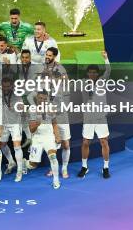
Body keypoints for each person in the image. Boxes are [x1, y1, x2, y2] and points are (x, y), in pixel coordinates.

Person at [79, 50, 112, 179]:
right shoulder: (82, 82)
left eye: (94, 72)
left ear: (97, 73)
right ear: (87, 73)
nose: (92, 74)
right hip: (88, 118)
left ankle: (106, 167)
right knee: (85, 142)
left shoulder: (102, 81)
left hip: (100, 117)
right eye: (90, 72)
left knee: (104, 142)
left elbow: (108, 71)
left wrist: (106, 59)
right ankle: (84, 166)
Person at [24, 90, 62, 190]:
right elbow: (32, 130)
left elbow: (54, 123)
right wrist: (37, 123)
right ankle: (25, 163)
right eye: (40, 98)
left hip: (49, 137)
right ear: (37, 98)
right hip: (37, 138)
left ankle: (56, 180)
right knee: (33, 165)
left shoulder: (51, 109)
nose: (43, 100)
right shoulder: (32, 110)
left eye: (45, 99)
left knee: (53, 157)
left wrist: (57, 136)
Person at [43, 47, 71, 178]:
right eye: (46, 55)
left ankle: (64, 168)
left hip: (61, 113)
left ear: (54, 56)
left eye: (49, 55)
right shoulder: (42, 68)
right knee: (52, 144)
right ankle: (52, 167)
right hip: (49, 114)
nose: (47, 57)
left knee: (65, 143)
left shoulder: (61, 69)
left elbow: (66, 88)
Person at [0, 76, 24, 182]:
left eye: (8, 86)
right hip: (4, 124)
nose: (6, 88)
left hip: (15, 124)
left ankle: (19, 170)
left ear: (12, 86)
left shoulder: (17, 95)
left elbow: (22, 107)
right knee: (2, 145)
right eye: (4, 86)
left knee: (16, 146)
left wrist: (16, 107)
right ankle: (11, 162)